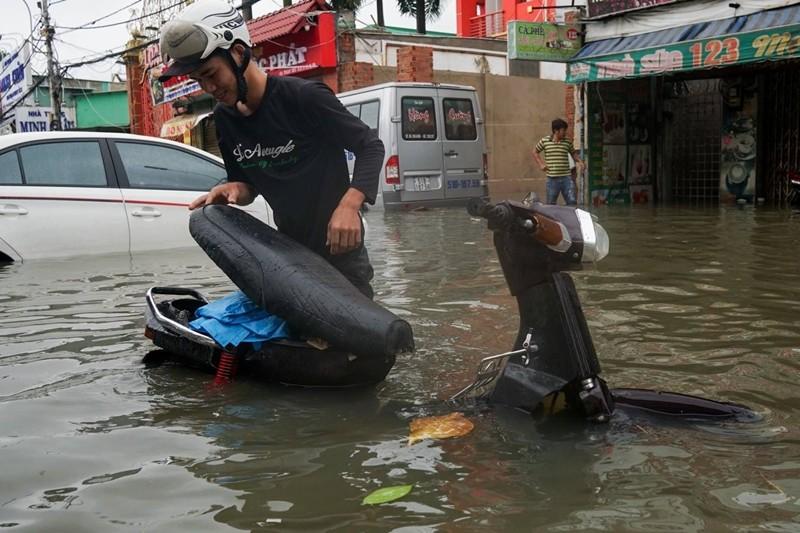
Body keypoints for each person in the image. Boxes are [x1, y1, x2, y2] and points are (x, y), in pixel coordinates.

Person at [158, 0, 384, 299]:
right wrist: (233, 190)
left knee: (356, 341)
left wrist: (349, 206)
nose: (208, 88)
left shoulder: (303, 98)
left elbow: (370, 146)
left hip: (341, 250)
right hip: (288, 255)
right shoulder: (224, 120)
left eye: (211, 74)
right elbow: (249, 185)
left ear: (238, 53)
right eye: (198, 80)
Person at [532, 118, 585, 206]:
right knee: (551, 205)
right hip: (552, 179)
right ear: (556, 131)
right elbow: (535, 151)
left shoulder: (567, 141)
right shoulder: (545, 141)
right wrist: (541, 164)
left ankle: (570, 219)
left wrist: (580, 161)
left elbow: (573, 153)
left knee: (572, 202)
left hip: (566, 178)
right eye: (563, 130)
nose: (565, 132)